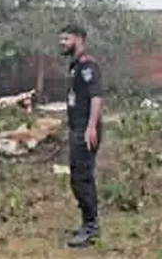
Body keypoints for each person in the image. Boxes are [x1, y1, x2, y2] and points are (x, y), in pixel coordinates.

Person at [59, 24, 104, 248]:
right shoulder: (75, 65)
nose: (62, 43)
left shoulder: (88, 65)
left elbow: (96, 97)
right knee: (78, 177)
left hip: (85, 130)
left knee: (82, 178)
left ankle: (91, 228)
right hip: (77, 128)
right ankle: (87, 223)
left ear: (79, 39)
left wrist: (91, 127)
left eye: (66, 39)